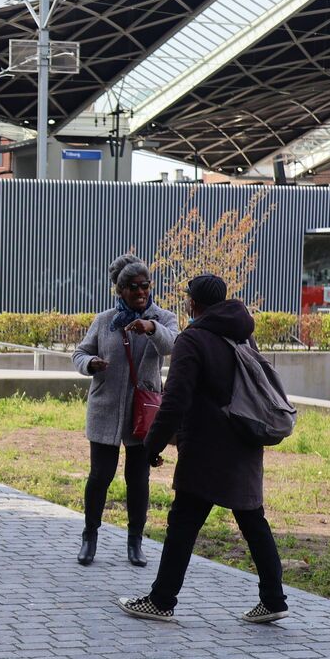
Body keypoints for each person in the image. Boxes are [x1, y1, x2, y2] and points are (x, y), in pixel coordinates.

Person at [118, 275, 289, 625]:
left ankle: (161, 600)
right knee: (252, 518)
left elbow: (175, 399)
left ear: (193, 304)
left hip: (207, 448)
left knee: (183, 523)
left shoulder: (192, 340)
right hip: (244, 440)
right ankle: (273, 598)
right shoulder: (241, 331)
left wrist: (152, 445)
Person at [72, 257, 177, 567]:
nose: (141, 292)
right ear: (119, 290)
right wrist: (90, 364)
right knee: (100, 477)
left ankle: (135, 542)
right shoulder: (105, 320)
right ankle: (89, 536)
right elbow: (80, 352)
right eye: (134, 287)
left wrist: (151, 327)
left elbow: (172, 345)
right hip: (105, 408)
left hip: (143, 413)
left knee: (138, 478)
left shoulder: (164, 318)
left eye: (146, 286)